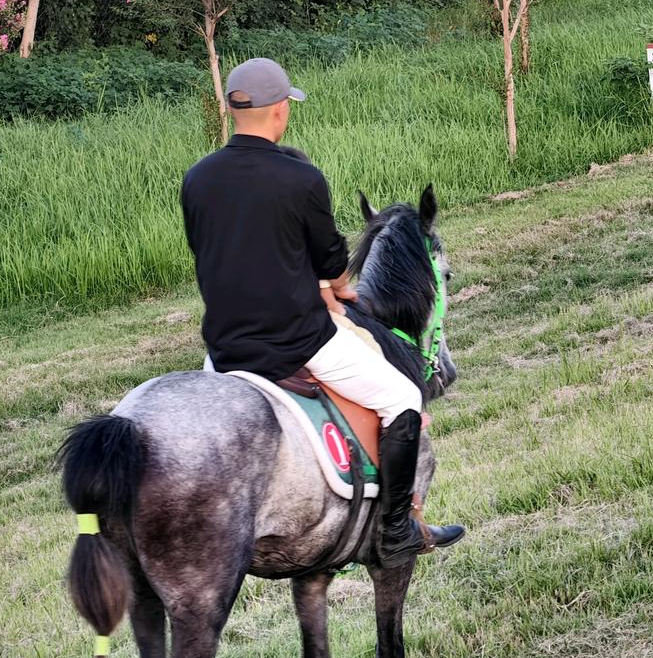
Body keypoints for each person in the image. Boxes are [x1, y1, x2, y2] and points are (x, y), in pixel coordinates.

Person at [181, 57, 464, 567]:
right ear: (279, 111)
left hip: (223, 347)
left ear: (230, 108)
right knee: (401, 396)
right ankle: (398, 528)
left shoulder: (197, 179)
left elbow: (215, 253)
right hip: (295, 339)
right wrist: (338, 287)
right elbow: (333, 261)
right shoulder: (300, 178)